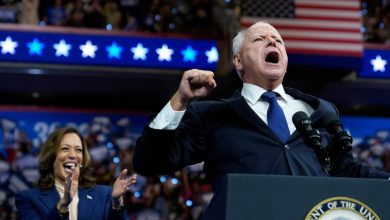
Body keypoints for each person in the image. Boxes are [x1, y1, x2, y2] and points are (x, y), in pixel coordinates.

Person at [133, 21, 390, 192]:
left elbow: (345, 169)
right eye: (259, 39)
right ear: (238, 61)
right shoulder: (211, 115)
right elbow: (149, 162)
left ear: (286, 60)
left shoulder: (320, 111)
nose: (272, 42)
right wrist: (180, 100)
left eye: (277, 39)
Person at [15, 126, 137, 220]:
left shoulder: (104, 195)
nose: (73, 155)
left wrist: (116, 205)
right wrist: (63, 204)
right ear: (51, 157)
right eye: (65, 148)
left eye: (78, 150)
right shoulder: (28, 198)